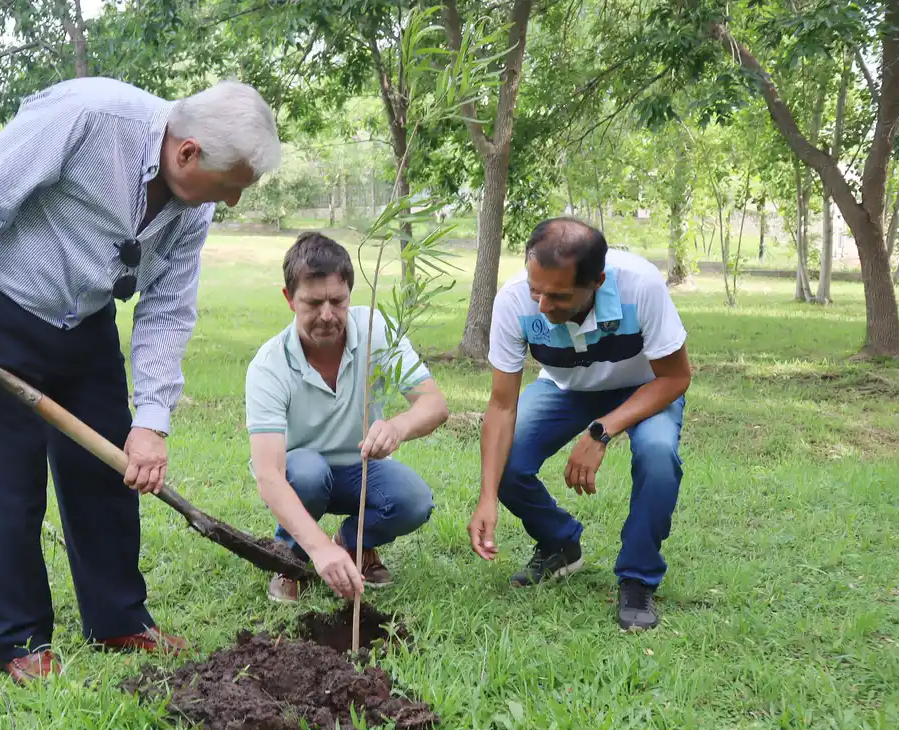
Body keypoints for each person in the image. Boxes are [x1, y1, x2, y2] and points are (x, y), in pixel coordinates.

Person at [0, 76, 281, 683]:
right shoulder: (89, 117)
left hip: (84, 324)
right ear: (187, 152)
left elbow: (166, 308)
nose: (233, 202)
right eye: (231, 186)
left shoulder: (195, 204)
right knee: (6, 484)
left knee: (109, 474)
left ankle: (117, 619)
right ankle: (22, 639)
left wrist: (151, 423)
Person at [468, 218, 691, 632]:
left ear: (597, 282)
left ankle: (637, 579)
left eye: (558, 296)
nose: (542, 306)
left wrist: (602, 430)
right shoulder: (515, 300)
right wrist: (487, 497)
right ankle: (559, 543)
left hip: (645, 386)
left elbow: (675, 378)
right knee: (508, 460)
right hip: (566, 386)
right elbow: (501, 407)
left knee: (658, 455)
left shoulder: (639, 285)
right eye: (537, 290)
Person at [245, 232, 450, 603]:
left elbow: (434, 404)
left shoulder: (376, 332)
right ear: (289, 299)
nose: (327, 315)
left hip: (362, 467)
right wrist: (319, 548)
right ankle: (291, 556)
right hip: (301, 475)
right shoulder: (269, 365)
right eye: (312, 302)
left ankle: (353, 543)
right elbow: (269, 475)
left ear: (350, 295)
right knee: (307, 473)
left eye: (337, 301)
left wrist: (396, 426)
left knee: (413, 500)